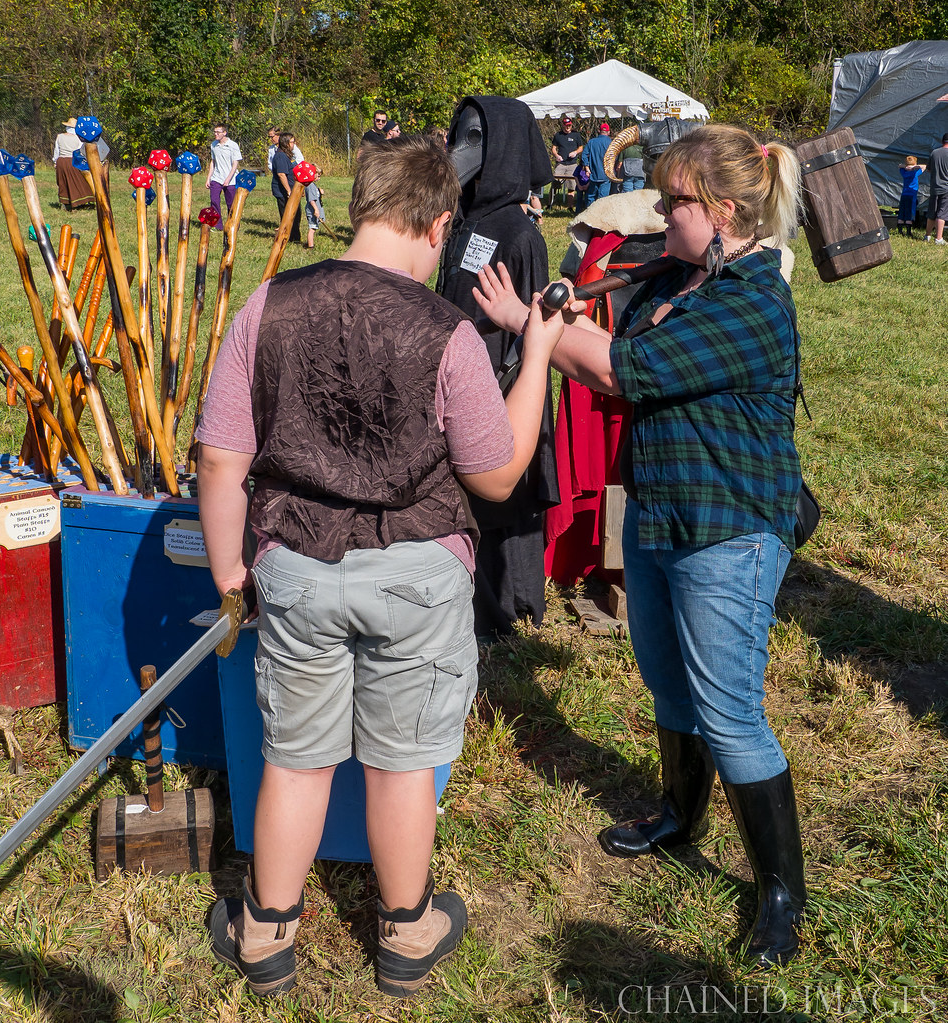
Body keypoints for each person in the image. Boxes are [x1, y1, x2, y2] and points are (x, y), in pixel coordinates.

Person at [197, 134, 563, 998]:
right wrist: (538, 350)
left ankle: (265, 932)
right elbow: (498, 471)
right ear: (440, 225)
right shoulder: (447, 332)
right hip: (416, 571)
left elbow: (220, 460)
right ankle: (406, 933)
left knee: (295, 755)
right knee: (402, 761)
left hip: (296, 564)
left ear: (362, 205)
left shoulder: (267, 305)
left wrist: (227, 574)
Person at [473, 123, 808, 968]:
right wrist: (556, 312)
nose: (661, 212)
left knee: (730, 711)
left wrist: (529, 326)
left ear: (725, 211)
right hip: (662, 511)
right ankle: (677, 813)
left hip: (729, 526)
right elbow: (606, 338)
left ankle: (779, 891)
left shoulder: (751, 300)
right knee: (666, 678)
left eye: (675, 201)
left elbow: (623, 370)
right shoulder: (687, 274)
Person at [436, 95, 560, 639]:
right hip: (460, 382)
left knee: (509, 501)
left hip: (503, 385)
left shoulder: (518, 233)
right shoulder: (463, 224)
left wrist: (500, 395)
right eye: (458, 137)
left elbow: (530, 328)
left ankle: (515, 610)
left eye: (475, 141)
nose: (461, 153)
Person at [52, 117, 95, 210]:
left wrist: (55, 161)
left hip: (61, 162)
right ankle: (79, 201)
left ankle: (67, 202)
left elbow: (57, 151)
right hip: (73, 161)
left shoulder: (60, 136)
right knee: (80, 181)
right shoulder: (79, 139)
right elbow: (81, 152)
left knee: (64, 182)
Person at [205, 123, 242, 228]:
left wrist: (228, 179)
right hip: (216, 178)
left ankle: (233, 224)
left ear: (224, 133)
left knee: (231, 203)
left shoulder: (233, 145)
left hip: (230, 179)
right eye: (215, 132)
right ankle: (217, 225)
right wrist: (208, 178)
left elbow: (235, 164)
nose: (215, 134)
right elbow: (213, 162)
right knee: (214, 200)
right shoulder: (213, 145)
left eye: (218, 132)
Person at [270, 132, 302, 244]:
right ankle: (287, 238)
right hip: (283, 192)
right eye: (292, 142)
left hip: (293, 190)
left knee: (296, 215)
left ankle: (295, 237)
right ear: (285, 143)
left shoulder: (288, 155)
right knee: (287, 216)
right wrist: (289, 191)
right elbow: (281, 174)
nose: (294, 144)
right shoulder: (280, 156)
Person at [551, 114, 585, 209]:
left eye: (569, 125)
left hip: (572, 164)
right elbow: (553, 148)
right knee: (554, 183)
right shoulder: (558, 135)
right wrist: (556, 155)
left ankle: (570, 206)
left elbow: (581, 147)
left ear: (571, 125)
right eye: (566, 126)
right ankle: (551, 203)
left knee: (571, 186)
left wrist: (575, 152)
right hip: (561, 164)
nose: (567, 128)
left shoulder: (576, 135)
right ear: (563, 125)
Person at [581, 123, 614, 206]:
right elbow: (615, 157)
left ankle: (589, 214)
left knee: (591, 196)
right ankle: (601, 215)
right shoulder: (611, 143)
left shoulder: (591, 142)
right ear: (608, 132)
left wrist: (587, 167)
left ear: (599, 131)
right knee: (603, 198)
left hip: (594, 174)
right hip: (606, 175)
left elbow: (584, 155)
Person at [924, 133, 948, 242]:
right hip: (946, 188)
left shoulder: (934, 152)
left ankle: (927, 236)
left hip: (934, 186)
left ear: (943, 141)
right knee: (942, 213)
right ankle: (939, 238)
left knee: (932, 212)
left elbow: (928, 169)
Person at [898, 155, 925, 236]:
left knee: (902, 211)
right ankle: (908, 232)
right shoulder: (915, 173)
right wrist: (914, 167)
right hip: (912, 194)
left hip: (904, 194)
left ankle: (900, 230)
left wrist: (906, 166)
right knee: (910, 212)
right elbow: (924, 166)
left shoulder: (904, 172)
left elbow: (899, 166)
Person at [305, 170, 324, 249]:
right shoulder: (310, 186)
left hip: (315, 209)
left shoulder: (313, 185)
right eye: (318, 176)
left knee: (314, 227)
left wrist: (319, 191)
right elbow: (311, 200)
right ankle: (310, 246)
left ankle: (311, 244)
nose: (319, 178)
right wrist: (316, 210)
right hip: (312, 210)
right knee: (312, 228)